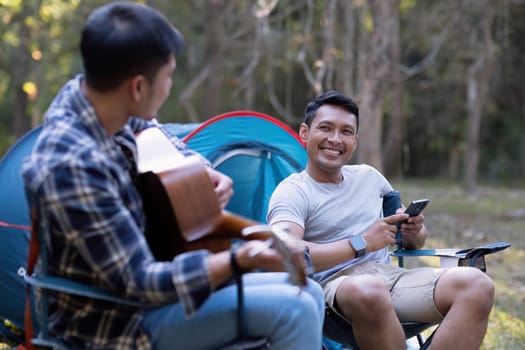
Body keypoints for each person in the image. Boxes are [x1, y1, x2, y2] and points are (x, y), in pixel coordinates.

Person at [22, 2, 324, 349]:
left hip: (150, 297)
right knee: (295, 309)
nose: (169, 88)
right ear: (137, 88)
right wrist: (239, 259)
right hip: (114, 322)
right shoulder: (73, 165)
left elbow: (154, 132)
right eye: (167, 77)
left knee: (309, 292)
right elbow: (141, 282)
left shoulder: (94, 99)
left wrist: (203, 171)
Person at [267, 91, 495, 350]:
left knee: (477, 285)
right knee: (370, 289)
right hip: (333, 291)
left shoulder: (370, 178)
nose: (335, 139)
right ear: (305, 133)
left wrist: (413, 230)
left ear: (355, 140)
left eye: (346, 131)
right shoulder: (293, 191)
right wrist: (361, 243)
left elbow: (411, 243)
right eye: (325, 128)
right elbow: (285, 253)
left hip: (391, 279)